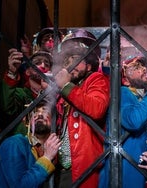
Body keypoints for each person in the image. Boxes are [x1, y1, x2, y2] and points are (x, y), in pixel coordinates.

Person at [53, 30, 110, 188]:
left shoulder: (95, 79)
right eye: (67, 61)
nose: (71, 65)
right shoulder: (63, 92)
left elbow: (97, 108)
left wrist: (66, 86)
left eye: (76, 60)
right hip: (61, 168)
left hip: (85, 167)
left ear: (89, 65)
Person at [99, 56, 147, 188]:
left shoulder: (140, 97)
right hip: (125, 168)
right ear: (126, 80)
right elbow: (133, 121)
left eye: (144, 67)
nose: (143, 70)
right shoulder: (123, 92)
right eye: (136, 68)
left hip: (137, 166)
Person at [0, 99, 62, 188]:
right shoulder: (14, 144)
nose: (40, 114)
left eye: (45, 110)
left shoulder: (58, 151)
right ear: (27, 121)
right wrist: (47, 157)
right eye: (35, 112)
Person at [0, 49, 54, 135]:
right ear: (27, 72)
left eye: (47, 64)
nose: (43, 66)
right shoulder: (20, 93)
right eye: (37, 63)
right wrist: (12, 72)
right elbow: (7, 109)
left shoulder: (56, 96)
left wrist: (48, 93)